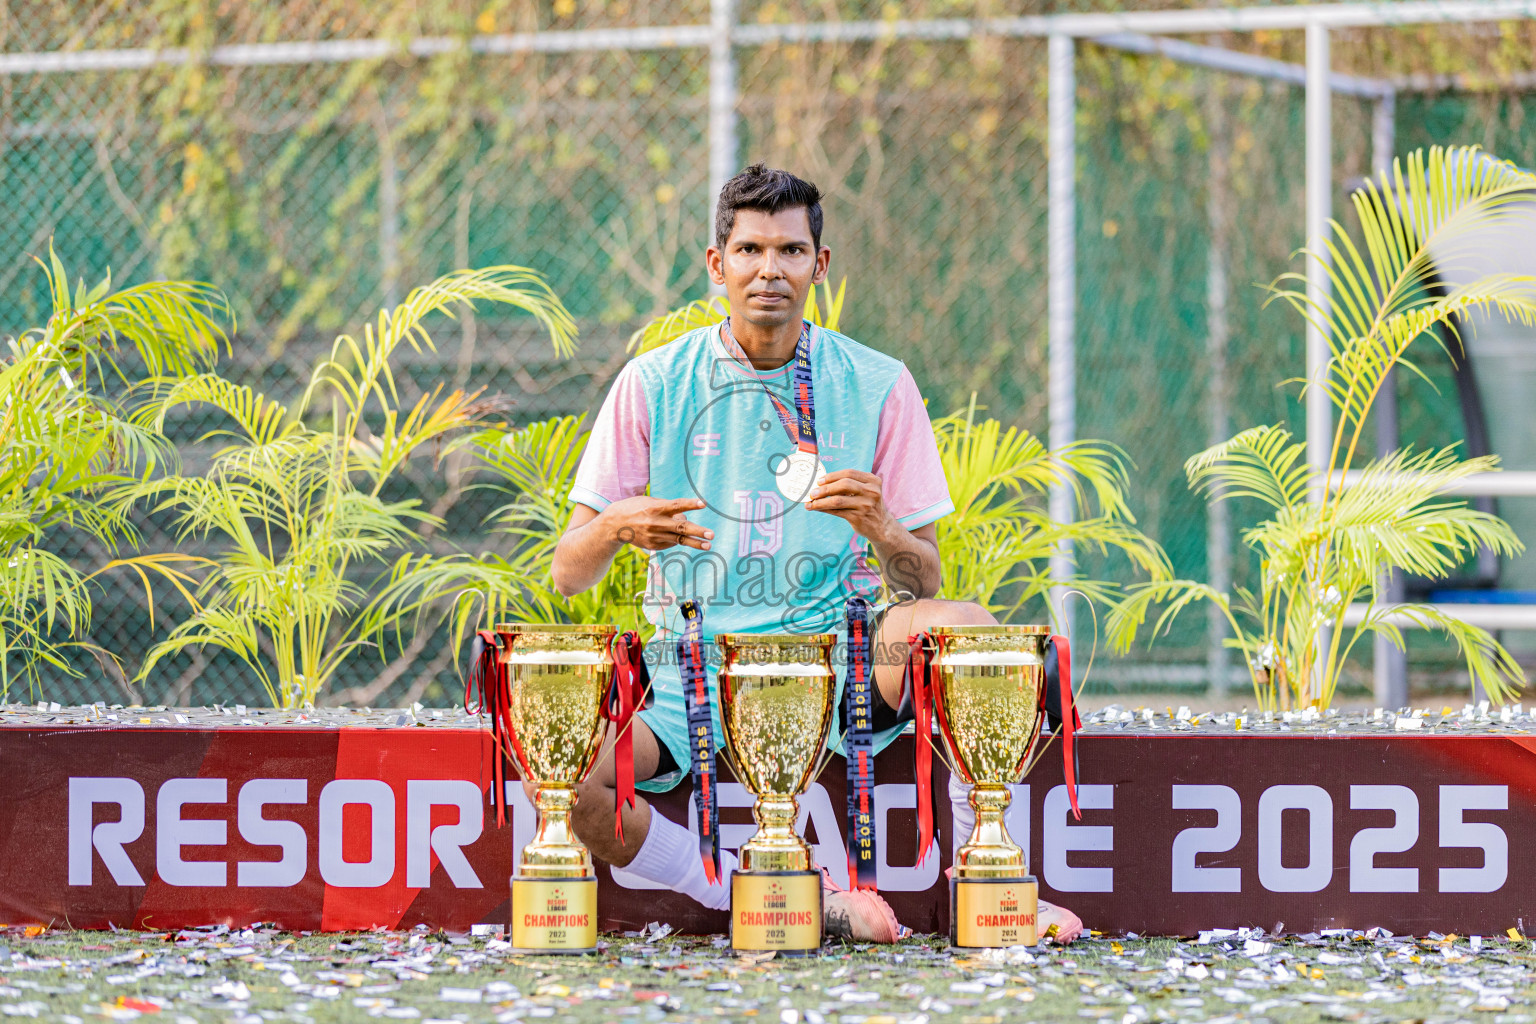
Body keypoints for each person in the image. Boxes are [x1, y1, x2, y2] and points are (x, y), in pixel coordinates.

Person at [549, 163, 1082, 944]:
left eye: (791, 251)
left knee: (965, 624)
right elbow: (569, 571)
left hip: (841, 659)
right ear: (716, 264)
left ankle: (989, 876)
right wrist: (615, 527)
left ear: (818, 266)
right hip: (688, 671)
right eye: (751, 250)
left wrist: (885, 530)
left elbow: (925, 576)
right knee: (564, 782)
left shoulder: (876, 382)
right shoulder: (653, 383)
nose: (770, 270)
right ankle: (746, 889)